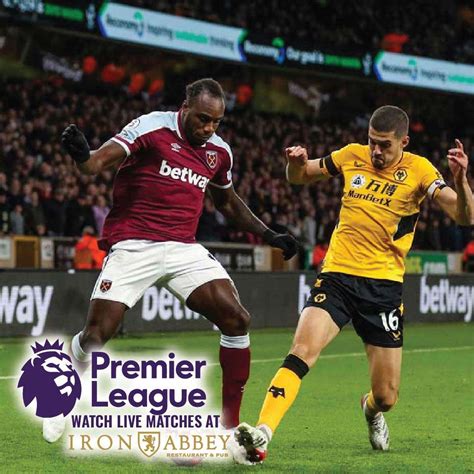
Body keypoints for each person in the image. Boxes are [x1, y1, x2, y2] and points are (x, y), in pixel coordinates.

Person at [43, 78, 299, 446]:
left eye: (216, 122)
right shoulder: (152, 127)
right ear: (185, 107)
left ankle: (229, 428)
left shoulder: (219, 151)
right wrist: (83, 156)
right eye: (203, 119)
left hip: (183, 248)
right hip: (134, 244)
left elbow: (227, 203)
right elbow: (95, 164)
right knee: (97, 336)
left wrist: (269, 234)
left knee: (237, 319)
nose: (208, 128)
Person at [235, 105, 473, 463]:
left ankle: (370, 409)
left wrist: (461, 181)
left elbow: (464, 216)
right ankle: (262, 433)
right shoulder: (351, 155)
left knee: (387, 396)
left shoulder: (420, 170)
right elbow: (299, 177)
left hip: (383, 290)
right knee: (302, 351)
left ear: (404, 142)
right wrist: (295, 163)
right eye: (372, 142)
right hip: (337, 277)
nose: (376, 151)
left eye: (385, 145)